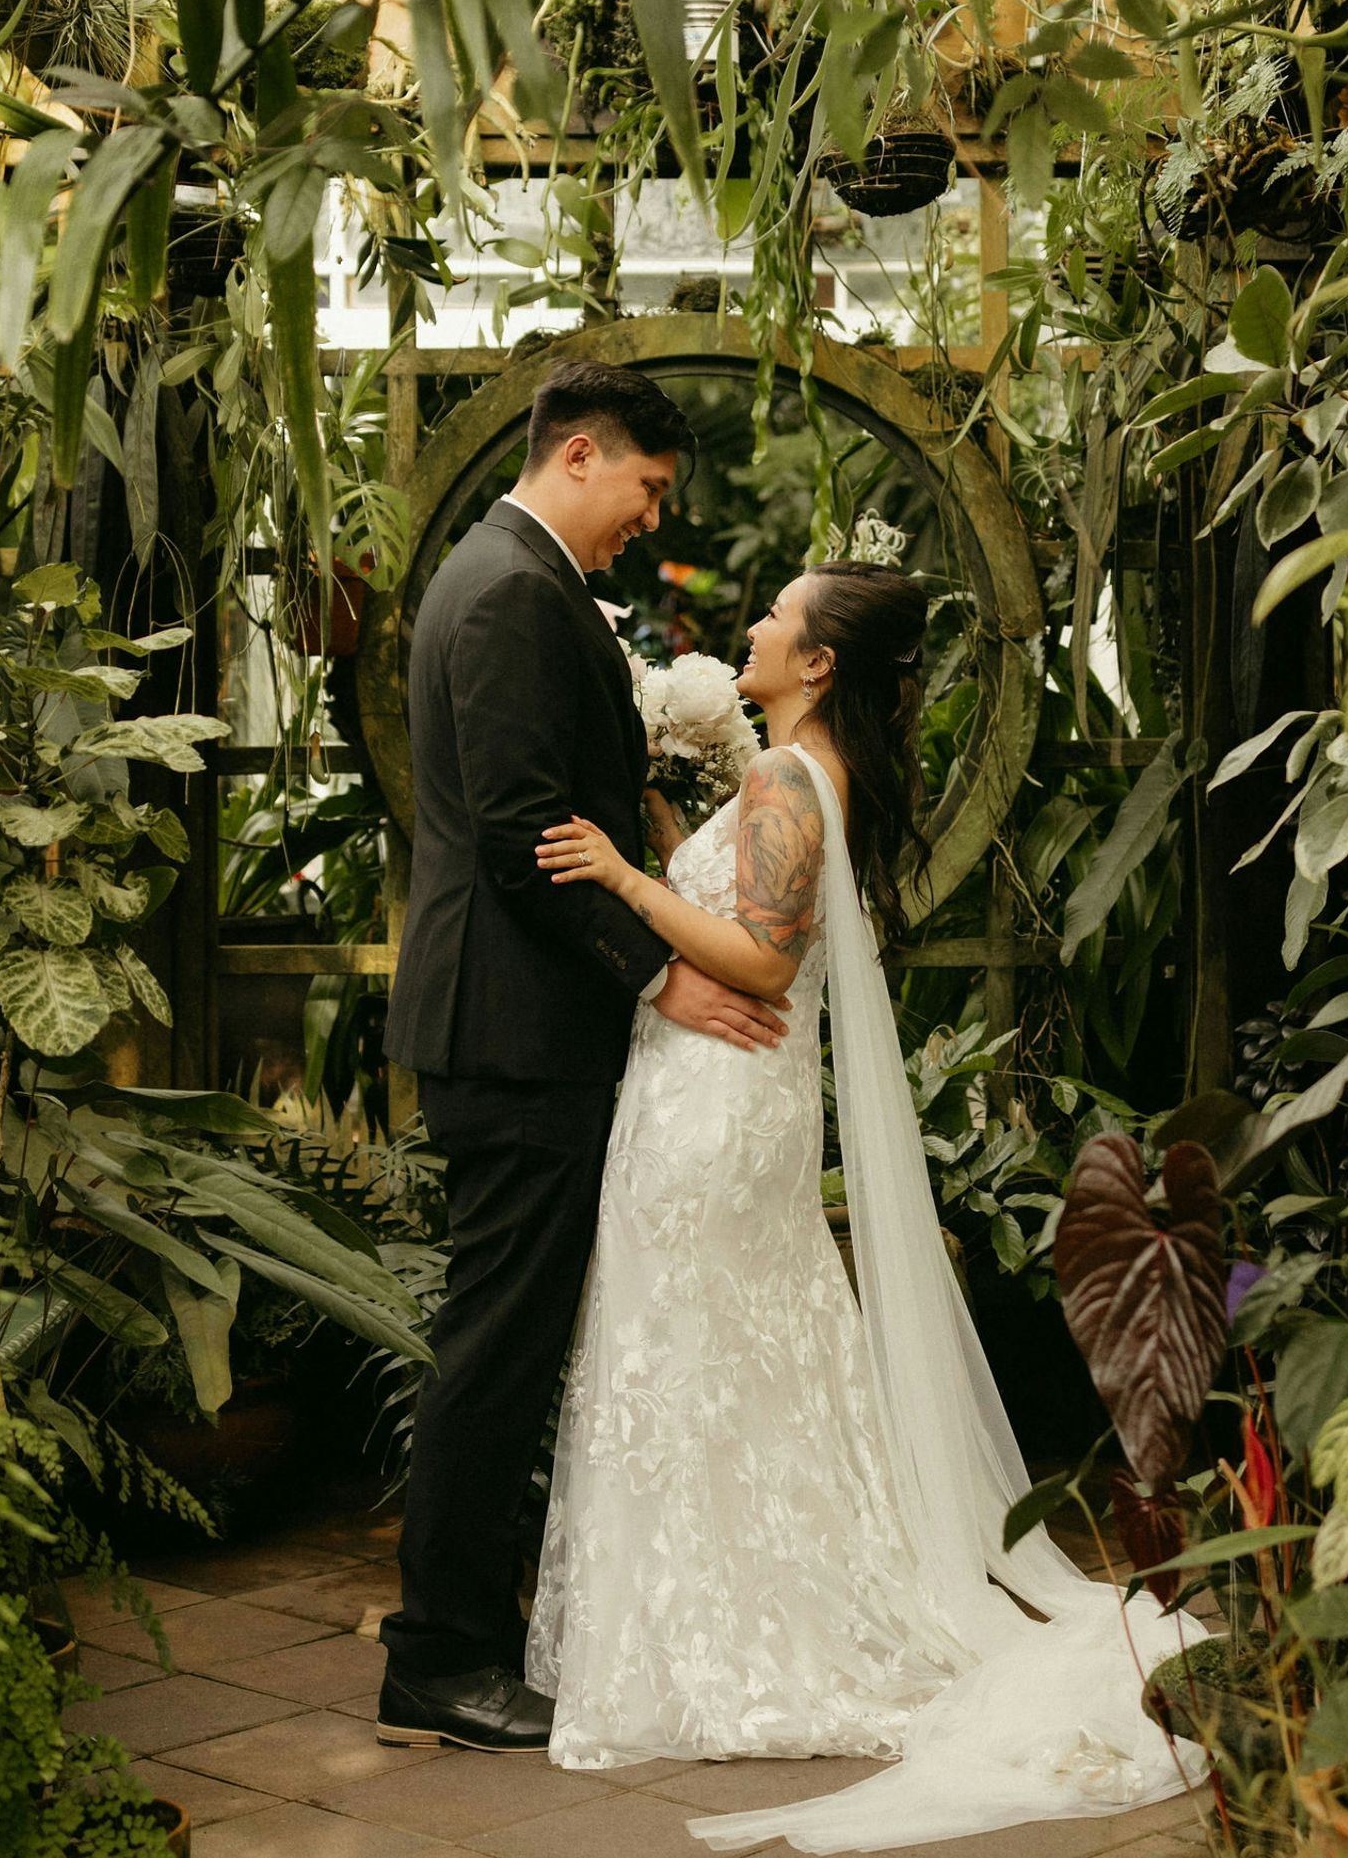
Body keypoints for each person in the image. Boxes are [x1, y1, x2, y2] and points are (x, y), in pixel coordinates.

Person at [524, 562, 1208, 1852]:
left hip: (715, 1109)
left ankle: (720, 1630)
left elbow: (762, 957)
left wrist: (622, 877)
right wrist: (673, 828)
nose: (756, 627)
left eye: (778, 617)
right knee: (723, 1360)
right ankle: (713, 1605)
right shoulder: (791, 772)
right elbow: (741, 905)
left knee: (692, 1353)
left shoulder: (790, 779)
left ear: (821, 662)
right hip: (717, 1097)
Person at [374, 359, 789, 1757]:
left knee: (502, 1336)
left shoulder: (509, 578)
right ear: (583, 455)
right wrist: (661, 971)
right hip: (511, 1027)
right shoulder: (506, 593)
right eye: (649, 490)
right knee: (495, 1345)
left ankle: (462, 1637)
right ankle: (442, 1656)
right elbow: (518, 833)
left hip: (517, 1022)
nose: (650, 520)